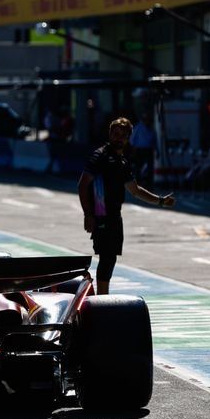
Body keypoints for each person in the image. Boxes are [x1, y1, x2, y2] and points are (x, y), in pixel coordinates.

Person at [78, 117, 176, 294]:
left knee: (111, 258)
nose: (119, 138)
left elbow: (136, 190)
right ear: (110, 134)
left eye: (123, 135)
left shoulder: (122, 162)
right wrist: (88, 214)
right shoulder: (99, 156)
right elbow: (83, 185)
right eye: (116, 134)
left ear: (129, 138)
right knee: (107, 258)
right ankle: (102, 298)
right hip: (101, 215)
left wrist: (160, 201)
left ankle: (102, 296)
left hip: (115, 216)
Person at [130, 111, 156, 185]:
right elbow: (132, 139)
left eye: (148, 119)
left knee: (150, 167)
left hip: (149, 149)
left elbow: (154, 139)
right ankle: (138, 182)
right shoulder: (138, 127)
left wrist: (156, 150)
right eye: (146, 119)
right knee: (138, 166)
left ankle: (149, 182)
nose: (147, 121)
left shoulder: (151, 128)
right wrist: (134, 148)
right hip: (140, 149)